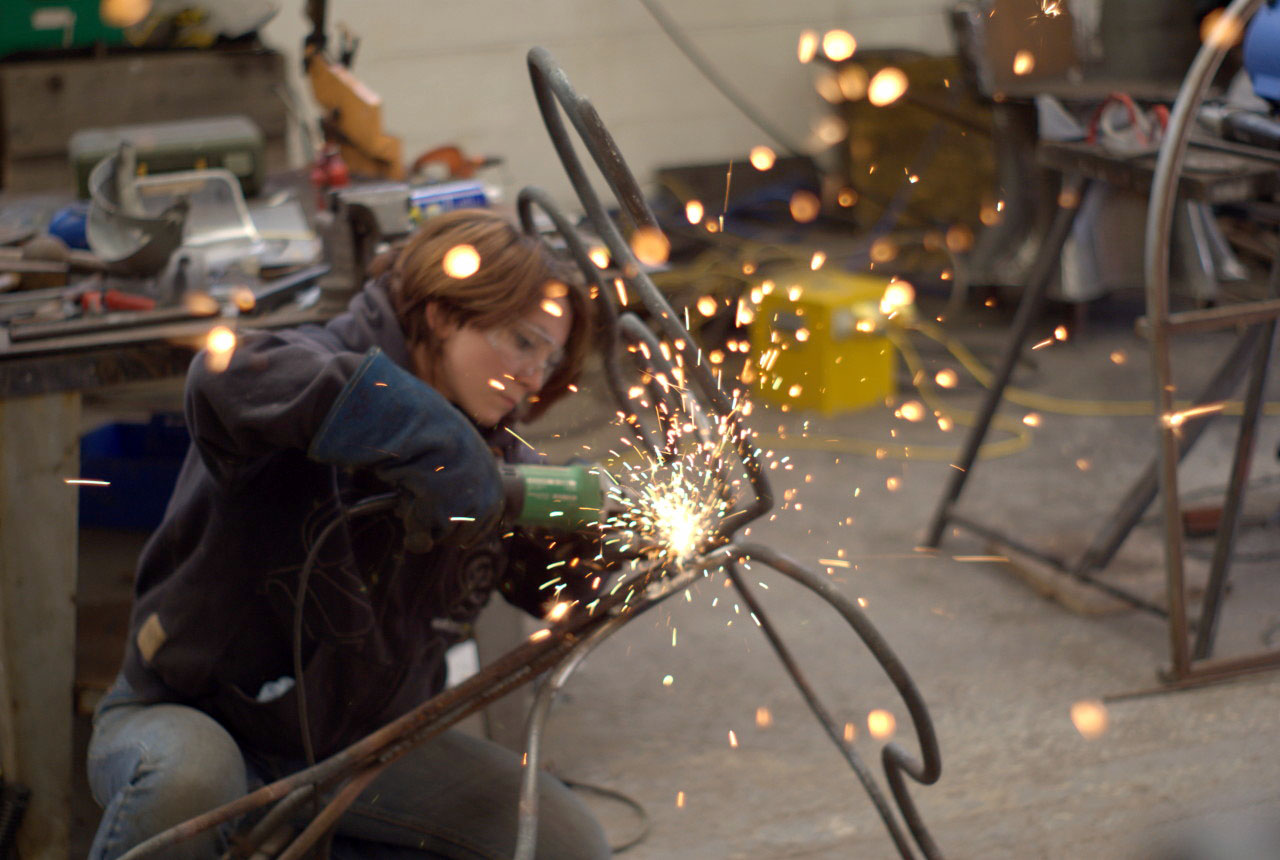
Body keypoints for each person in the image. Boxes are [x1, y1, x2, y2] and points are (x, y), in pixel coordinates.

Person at [86, 208, 612, 859]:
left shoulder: (489, 467)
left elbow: (556, 594)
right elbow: (225, 375)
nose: (535, 377)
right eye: (523, 341)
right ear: (444, 314)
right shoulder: (317, 368)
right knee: (189, 784)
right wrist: (423, 432)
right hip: (193, 713)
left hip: (360, 748)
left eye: (550, 357)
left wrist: (586, 554)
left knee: (564, 843)